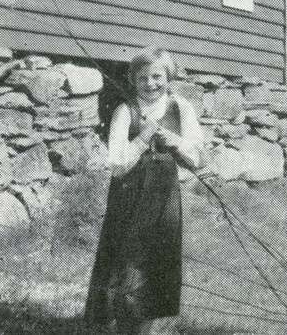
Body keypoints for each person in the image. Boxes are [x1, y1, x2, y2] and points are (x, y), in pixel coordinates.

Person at [85, 48, 203, 335]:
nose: (150, 84)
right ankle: (121, 325)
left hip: (164, 201)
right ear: (132, 81)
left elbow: (197, 159)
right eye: (142, 78)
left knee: (156, 264)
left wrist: (176, 142)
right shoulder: (126, 111)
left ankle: (144, 328)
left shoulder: (181, 108)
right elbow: (117, 165)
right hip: (129, 199)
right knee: (127, 263)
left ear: (169, 77)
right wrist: (143, 137)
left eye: (157, 76)